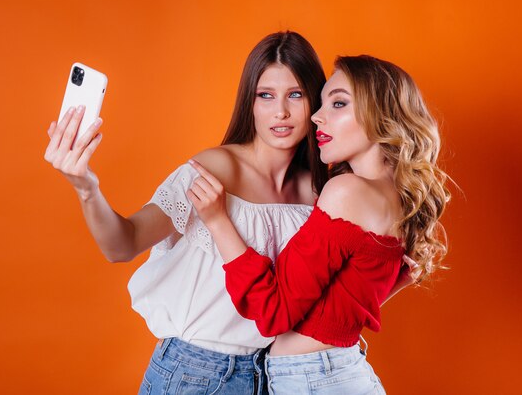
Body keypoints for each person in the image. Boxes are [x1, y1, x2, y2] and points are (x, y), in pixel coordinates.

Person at [44, 31, 327, 394]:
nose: (281, 112)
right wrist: (86, 187)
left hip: (276, 376)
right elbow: (122, 244)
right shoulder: (212, 170)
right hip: (196, 374)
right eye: (266, 96)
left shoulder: (318, 193)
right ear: (250, 103)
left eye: (296, 95)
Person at [187, 55, 450, 394]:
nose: (315, 116)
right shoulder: (398, 197)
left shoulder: (346, 191)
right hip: (338, 373)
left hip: (318, 380)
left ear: (380, 115)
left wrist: (218, 221)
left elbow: (274, 312)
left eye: (338, 103)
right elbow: (336, 317)